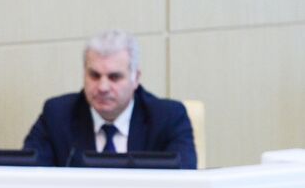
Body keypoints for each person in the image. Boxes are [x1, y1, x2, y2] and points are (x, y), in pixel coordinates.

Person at [22, 29, 197, 168]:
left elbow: (184, 182)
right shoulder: (57, 116)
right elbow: (29, 178)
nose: (103, 87)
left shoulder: (168, 119)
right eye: (94, 75)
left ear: (135, 78)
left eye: (114, 77)